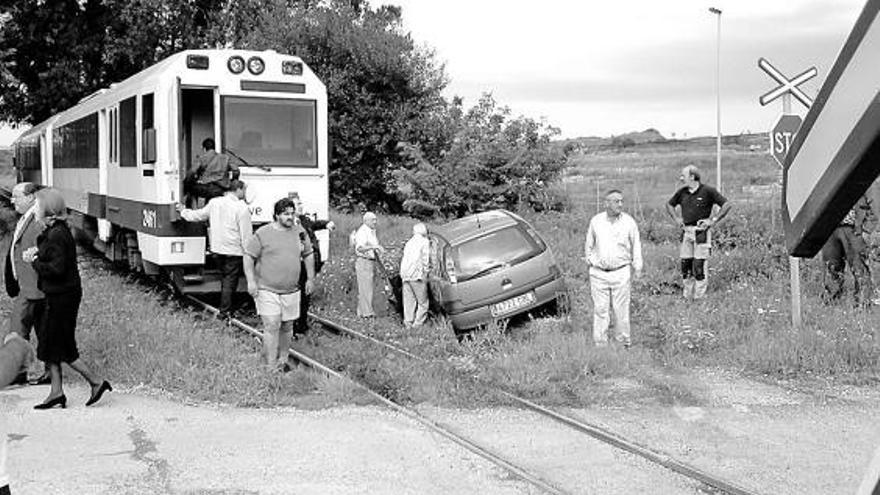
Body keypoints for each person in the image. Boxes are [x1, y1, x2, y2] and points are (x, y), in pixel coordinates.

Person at [23, 188, 112, 409]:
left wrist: (34, 260)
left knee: (61, 346)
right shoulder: (56, 231)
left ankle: (95, 381)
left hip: (62, 297)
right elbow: (54, 257)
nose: (35, 209)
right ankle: (56, 391)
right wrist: (39, 252)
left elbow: (56, 269)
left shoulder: (57, 234)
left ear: (49, 210)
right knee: (49, 343)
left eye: (38, 205)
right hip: (59, 294)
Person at [243, 198, 315, 370]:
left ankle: (283, 359)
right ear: (276, 215)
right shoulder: (263, 233)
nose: (290, 217)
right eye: (286, 214)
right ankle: (270, 365)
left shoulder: (299, 232)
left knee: (287, 325)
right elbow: (248, 256)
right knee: (272, 324)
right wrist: (251, 281)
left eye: (292, 213)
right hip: (267, 288)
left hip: (291, 289)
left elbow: (308, 254)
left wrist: (311, 278)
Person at [177, 180, 252, 319]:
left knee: (225, 279)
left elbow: (198, 215)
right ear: (239, 189)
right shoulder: (242, 208)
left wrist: (183, 211)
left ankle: (225, 308)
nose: (245, 193)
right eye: (244, 190)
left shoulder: (214, 202)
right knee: (230, 281)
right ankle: (225, 312)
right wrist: (250, 254)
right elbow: (246, 235)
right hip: (233, 251)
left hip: (217, 250)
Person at [2, 182, 48, 386]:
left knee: (18, 328)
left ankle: (19, 372)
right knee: (38, 328)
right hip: (28, 285)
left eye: (16, 196)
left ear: (30, 198)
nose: (12, 200)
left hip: (34, 287)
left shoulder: (38, 220)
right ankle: (42, 371)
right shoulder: (27, 217)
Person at [585, 189, 643, 347]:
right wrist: (590, 261)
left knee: (621, 310)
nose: (620, 204)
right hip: (598, 273)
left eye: (621, 201)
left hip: (621, 272)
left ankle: (623, 342)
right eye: (616, 201)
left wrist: (637, 266)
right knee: (600, 310)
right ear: (606, 203)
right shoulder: (596, 221)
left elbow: (636, 245)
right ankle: (600, 344)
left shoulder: (629, 222)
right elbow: (589, 244)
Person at [665, 165, 731, 300]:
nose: (681, 178)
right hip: (686, 232)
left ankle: (699, 297)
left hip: (701, 232)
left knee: (699, 265)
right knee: (686, 264)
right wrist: (676, 218)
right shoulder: (682, 192)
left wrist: (713, 220)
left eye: (683, 175)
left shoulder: (708, 191)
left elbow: (726, 205)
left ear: (692, 177)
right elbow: (669, 204)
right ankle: (687, 296)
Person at [290, 193, 335, 337]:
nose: (301, 206)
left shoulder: (304, 220)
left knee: (305, 294)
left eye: (301, 203)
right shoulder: (288, 223)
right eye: (298, 204)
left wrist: (326, 224)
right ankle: (292, 325)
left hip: (308, 262)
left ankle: (302, 325)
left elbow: (314, 225)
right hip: (294, 263)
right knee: (293, 294)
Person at [821, 194, 875, 305]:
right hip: (830, 228)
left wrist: (867, 230)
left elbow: (875, 201)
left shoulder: (860, 178)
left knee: (859, 266)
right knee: (832, 265)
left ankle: (862, 303)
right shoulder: (826, 179)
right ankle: (831, 301)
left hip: (854, 229)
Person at [185, 138, 239, 205]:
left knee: (190, 188)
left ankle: (192, 210)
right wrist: (232, 181)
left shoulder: (202, 158)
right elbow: (236, 171)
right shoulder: (226, 158)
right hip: (222, 189)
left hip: (207, 188)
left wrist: (189, 182)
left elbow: (192, 172)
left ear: (204, 149)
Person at [399, 222, 431, 328]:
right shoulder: (424, 242)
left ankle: (408, 322)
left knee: (409, 300)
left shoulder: (409, 242)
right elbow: (425, 259)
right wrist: (426, 272)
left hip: (405, 274)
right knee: (423, 302)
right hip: (417, 274)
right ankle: (418, 324)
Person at [353, 212, 384, 318]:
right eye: (372, 220)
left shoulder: (371, 231)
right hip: (364, 261)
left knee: (367, 287)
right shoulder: (362, 232)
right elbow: (359, 248)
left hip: (370, 261)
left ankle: (361, 312)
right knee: (365, 288)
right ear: (366, 221)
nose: (375, 222)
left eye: (375, 219)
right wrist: (374, 247)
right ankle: (367, 314)